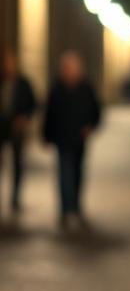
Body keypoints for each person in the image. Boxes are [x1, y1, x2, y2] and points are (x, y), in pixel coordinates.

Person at [42, 50, 102, 230]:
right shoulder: (57, 88)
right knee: (64, 174)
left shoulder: (86, 88)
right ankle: (66, 210)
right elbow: (49, 114)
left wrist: (91, 126)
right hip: (62, 139)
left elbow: (96, 111)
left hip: (79, 140)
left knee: (77, 174)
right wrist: (46, 136)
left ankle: (76, 207)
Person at [0, 49, 37, 218]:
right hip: (2, 127)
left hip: (16, 128)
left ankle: (15, 197)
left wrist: (24, 118)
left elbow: (33, 104)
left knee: (17, 163)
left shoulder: (24, 83)